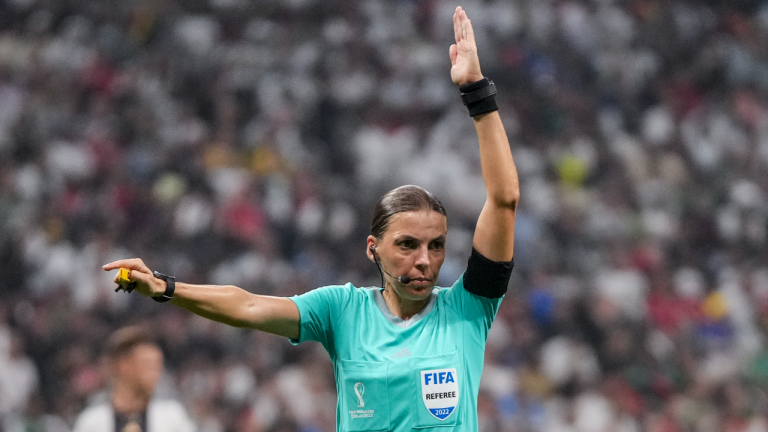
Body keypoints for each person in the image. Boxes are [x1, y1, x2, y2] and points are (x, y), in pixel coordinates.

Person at [103, 6, 518, 432]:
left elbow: (504, 200)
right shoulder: (342, 310)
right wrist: (165, 287)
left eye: (436, 245)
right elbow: (246, 305)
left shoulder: (468, 309)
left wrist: (476, 93)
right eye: (407, 244)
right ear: (373, 249)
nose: (425, 260)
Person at [72, 326, 196, 432]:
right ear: (123, 366)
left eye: (158, 366)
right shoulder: (90, 423)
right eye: (148, 365)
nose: (157, 373)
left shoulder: (174, 418)